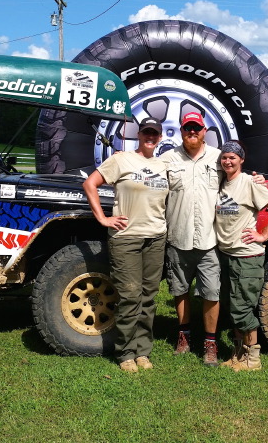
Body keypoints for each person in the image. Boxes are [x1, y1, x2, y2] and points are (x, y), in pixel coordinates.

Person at [160, 112, 264, 366]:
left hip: (209, 241)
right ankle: (183, 337)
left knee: (211, 293)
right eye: (187, 128)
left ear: (204, 130)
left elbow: (235, 172)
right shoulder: (168, 158)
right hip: (178, 238)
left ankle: (210, 344)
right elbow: (145, 169)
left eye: (196, 128)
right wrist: (122, 157)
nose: (192, 132)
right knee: (180, 290)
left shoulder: (217, 157)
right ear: (182, 130)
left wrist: (256, 178)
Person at [82, 117, 169, 373]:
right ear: (138, 135)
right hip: (127, 237)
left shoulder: (164, 164)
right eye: (146, 133)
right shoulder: (121, 159)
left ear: (160, 137)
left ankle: (143, 351)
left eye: (154, 133)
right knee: (130, 296)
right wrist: (102, 218)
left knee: (149, 298)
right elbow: (90, 184)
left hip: (156, 237)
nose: (150, 137)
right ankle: (125, 352)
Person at [215, 140, 268, 372]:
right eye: (225, 157)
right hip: (226, 254)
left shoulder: (249, 183)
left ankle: (252, 358)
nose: (227, 161)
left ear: (241, 160)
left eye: (233, 158)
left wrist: (263, 234)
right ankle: (238, 354)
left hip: (246, 256)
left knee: (243, 307)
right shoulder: (223, 182)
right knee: (232, 306)